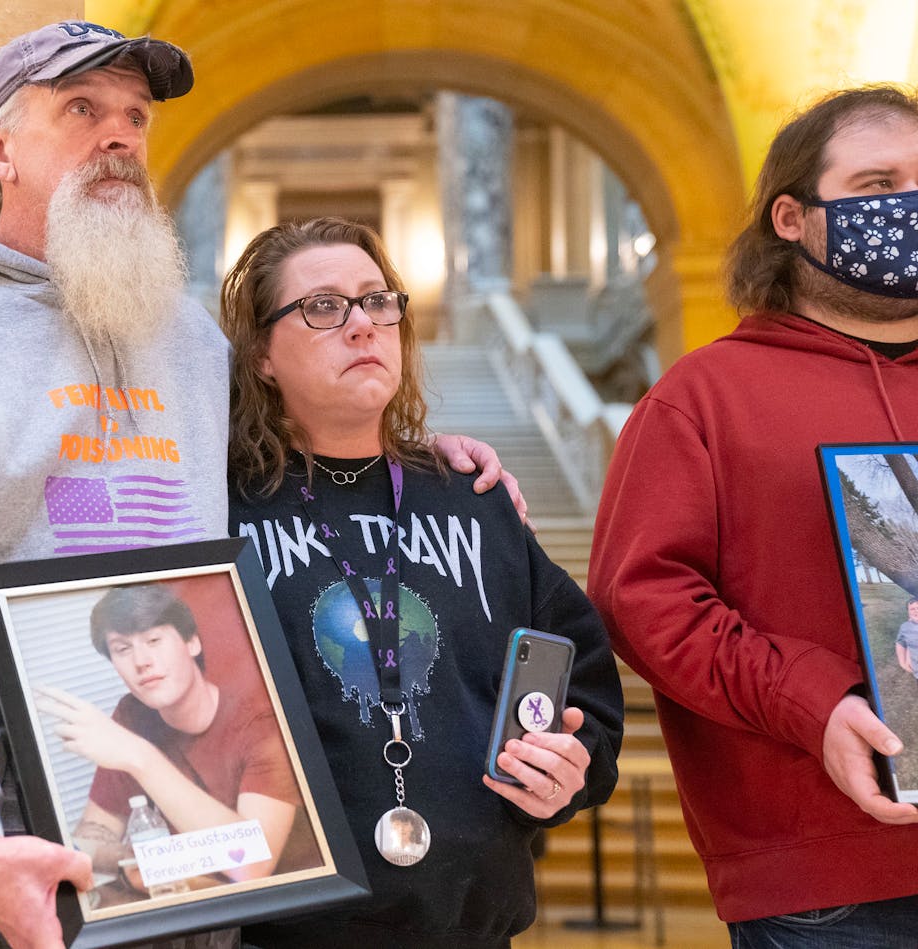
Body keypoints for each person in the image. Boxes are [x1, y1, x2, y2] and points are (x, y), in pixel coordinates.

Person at [0, 20, 517, 949]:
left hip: (201, 830)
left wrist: (414, 459)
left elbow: (293, 455)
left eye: (136, 118)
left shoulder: (185, 338)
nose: (120, 137)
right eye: (82, 109)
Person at [221, 217, 624, 948]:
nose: (362, 326)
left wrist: (572, 765)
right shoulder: (218, 511)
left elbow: (584, 685)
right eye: (322, 306)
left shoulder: (473, 497)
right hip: (280, 932)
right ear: (261, 355)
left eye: (379, 302)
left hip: (472, 929)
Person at [589, 84, 918, 947]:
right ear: (790, 217)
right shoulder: (701, 400)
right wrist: (815, 700)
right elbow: (642, 601)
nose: (907, 208)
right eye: (877, 185)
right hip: (827, 883)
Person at [39, 584, 311, 886]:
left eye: (154, 640)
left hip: (284, 912)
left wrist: (140, 758)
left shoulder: (262, 723)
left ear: (191, 642)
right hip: (185, 908)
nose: (141, 661)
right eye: (122, 649)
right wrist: (146, 860)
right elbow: (91, 837)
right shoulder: (132, 715)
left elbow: (251, 863)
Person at [896, 599, 918, 679]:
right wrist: (902, 662)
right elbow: (901, 643)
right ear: (908, 612)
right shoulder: (905, 627)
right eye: (912, 609)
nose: (916, 611)